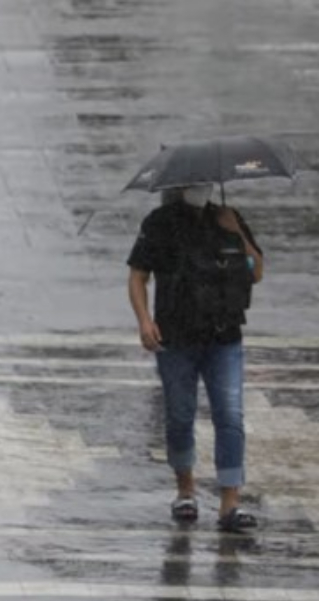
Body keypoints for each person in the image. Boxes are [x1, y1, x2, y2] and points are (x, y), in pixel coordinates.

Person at [127, 182, 264, 531]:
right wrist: (145, 321)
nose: (199, 190)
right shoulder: (159, 223)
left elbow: (256, 270)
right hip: (176, 339)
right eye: (192, 184)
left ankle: (230, 503)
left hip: (225, 338)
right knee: (179, 414)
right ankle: (185, 490)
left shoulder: (227, 218)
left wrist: (237, 232)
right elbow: (138, 276)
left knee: (230, 416)